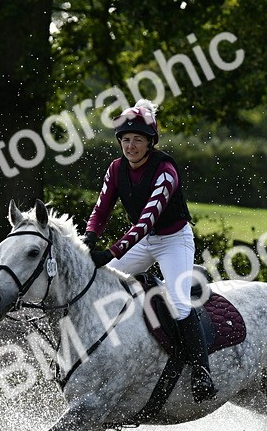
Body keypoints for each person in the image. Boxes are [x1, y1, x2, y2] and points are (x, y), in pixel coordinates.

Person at [84, 98, 217, 401]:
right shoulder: (116, 169)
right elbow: (101, 209)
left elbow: (145, 222)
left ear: (150, 143)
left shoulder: (166, 171)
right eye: (126, 139)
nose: (130, 146)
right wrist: (90, 237)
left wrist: (110, 253)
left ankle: (201, 371)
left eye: (137, 140)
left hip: (173, 240)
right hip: (144, 241)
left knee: (180, 303)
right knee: (98, 283)